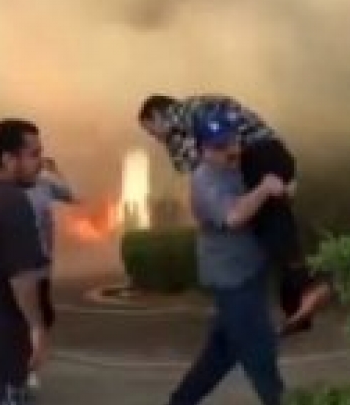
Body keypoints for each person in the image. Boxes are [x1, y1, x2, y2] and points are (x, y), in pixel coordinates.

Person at [138, 94, 331, 335]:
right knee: (272, 229)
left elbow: (200, 161)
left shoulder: (185, 115)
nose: (154, 137)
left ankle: (306, 287)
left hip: (260, 156)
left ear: (157, 115)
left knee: (271, 226)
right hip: (273, 155)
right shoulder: (196, 116)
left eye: (151, 130)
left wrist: (207, 186)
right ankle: (298, 307)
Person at [157, 112, 285, 405]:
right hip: (231, 279)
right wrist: (264, 189)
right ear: (203, 150)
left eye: (232, 142)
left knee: (220, 354)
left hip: (249, 271)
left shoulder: (236, 168)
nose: (230, 150)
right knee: (260, 354)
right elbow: (234, 216)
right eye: (219, 146)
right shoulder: (205, 180)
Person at [0, 119, 48, 405]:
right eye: (32, 154)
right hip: (1, 339)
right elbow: (22, 278)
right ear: (7, 158)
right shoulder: (12, 203)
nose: (40, 161)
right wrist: (36, 327)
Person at [25, 157, 77, 390]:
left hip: (42, 264)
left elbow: (71, 196)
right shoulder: (6, 190)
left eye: (39, 155)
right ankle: (25, 368)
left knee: (44, 315)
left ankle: (28, 365)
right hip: (17, 266)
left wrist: (56, 171)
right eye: (32, 154)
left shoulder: (45, 184)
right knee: (23, 316)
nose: (38, 160)